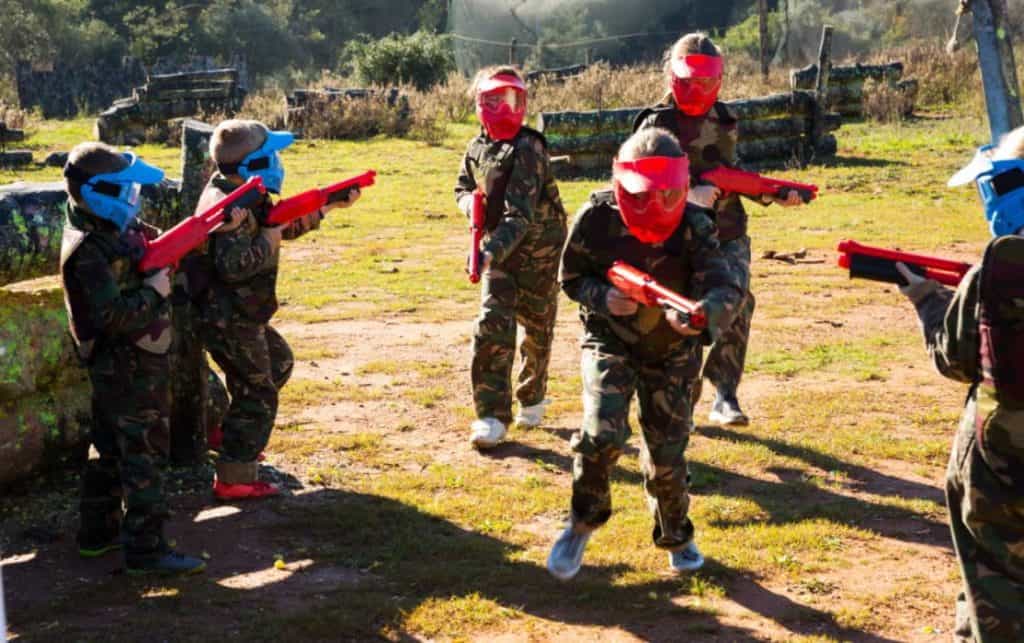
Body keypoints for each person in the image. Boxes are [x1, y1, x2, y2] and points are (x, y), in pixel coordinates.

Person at [547, 128, 742, 581]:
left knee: (668, 455)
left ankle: (675, 533)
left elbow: (726, 286)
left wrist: (699, 316)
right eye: (643, 195)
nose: (654, 205)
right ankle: (582, 521)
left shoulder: (695, 225)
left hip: (673, 353)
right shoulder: (597, 217)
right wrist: (602, 297)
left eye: (667, 195)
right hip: (609, 341)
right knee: (600, 436)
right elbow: (570, 278)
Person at [633, 32, 804, 426]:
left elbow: (735, 174)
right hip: (675, 235)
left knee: (737, 300)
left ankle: (725, 392)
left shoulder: (725, 119)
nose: (698, 89)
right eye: (691, 80)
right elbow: (638, 180)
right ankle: (684, 398)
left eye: (706, 81)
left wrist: (773, 194)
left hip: (726, 231)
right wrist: (690, 193)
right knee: (685, 312)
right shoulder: (656, 123)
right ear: (673, 76)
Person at [897, 128, 1024, 641]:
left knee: (990, 591)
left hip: (1000, 468)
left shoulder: (996, 269)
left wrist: (928, 302)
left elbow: (953, 360)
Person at [195, 119, 359, 499]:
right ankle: (234, 477)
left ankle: (233, 431)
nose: (279, 163)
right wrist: (268, 240)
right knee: (259, 393)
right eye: (271, 156)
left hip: (243, 314)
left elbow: (278, 223)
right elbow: (233, 266)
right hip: (228, 316)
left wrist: (328, 205)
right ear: (253, 164)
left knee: (278, 363)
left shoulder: (246, 192)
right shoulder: (226, 207)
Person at [61, 142, 205, 574]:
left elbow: (139, 240)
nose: (134, 201)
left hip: (119, 362)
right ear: (100, 194)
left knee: (106, 446)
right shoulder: (88, 250)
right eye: (126, 192)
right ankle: (147, 549)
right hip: (123, 363)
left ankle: (97, 534)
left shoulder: (101, 227)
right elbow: (112, 317)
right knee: (144, 452)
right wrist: (154, 292)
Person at [454, 66, 568, 449]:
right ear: (481, 103)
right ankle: (491, 415)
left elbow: (520, 215)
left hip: (538, 251)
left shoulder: (528, 149)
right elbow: (462, 187)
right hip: (498, 252)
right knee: (492, 326)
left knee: (537, 330)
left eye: (514, 100)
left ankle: (532, 395)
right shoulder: (476, 148)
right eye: (496, 100)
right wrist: (468, 207)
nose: (506, 108)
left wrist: (489, 250)